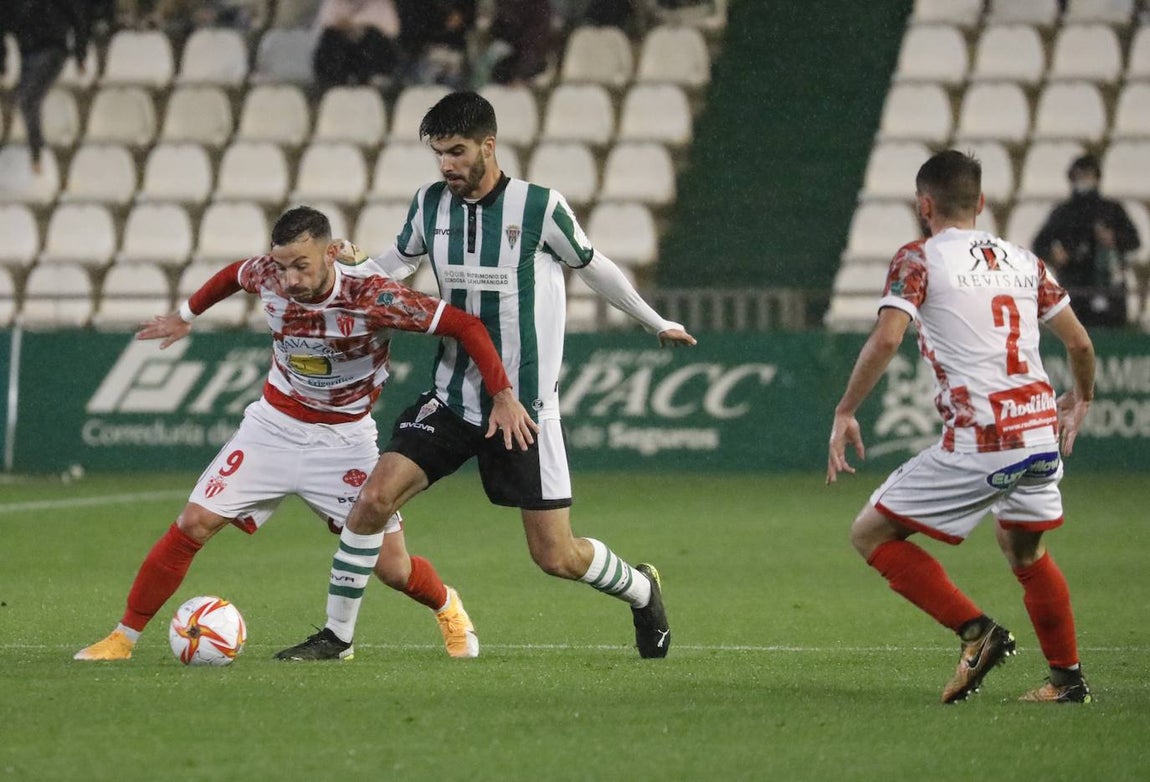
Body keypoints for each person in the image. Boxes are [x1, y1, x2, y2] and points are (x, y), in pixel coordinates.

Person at [275, 91, 697, 662]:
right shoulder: (430, 204)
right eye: (439, 154)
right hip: (452, 398)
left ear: (488, 146)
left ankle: (642, 590)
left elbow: (593, 266)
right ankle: (337, 637)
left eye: (456, 151)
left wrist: (655, 321)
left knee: (556, 556)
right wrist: (341, 270)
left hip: (523, 411)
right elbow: (393, 268)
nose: (446, 165)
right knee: (372, 500)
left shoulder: (540, 207)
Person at [74, 205, 537, 662]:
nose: (290, 279)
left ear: (332, 252)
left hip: (344, 440)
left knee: (392, 568)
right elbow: (235, 274)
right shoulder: (269, 276)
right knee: (194, 522)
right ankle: (122, 639)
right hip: (273, 427)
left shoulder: (375, 297)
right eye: (282, 265)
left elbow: (466, 325)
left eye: (302, 265)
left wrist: (501, 395)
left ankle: (447, 606)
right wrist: (185, 315)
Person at [826, 150, 1096, 704]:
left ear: (924, 206)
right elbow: (1080, 343)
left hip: (985, 440)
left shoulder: (919, 259)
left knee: (870, 533)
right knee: (1024, 551)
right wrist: (1082, 397)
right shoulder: (1025, 261)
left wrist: (845, 410)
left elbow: (887, 338)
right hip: (1041, 432)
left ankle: (979, 634)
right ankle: (1067, 682)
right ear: (982, 203)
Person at [1032, 154, 1140, 328]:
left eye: (1087, 175)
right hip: (1074, 287)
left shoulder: (1112, 209)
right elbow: (1039, 244)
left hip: (1109, 287)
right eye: (1079, 176)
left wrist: (1114, 239)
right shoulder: (1063, 212)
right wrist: (1055, 255)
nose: (1083, 181)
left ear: (1097, 178)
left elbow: (1134, 241)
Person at [0, 0, 90, 175]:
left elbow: (78, 16)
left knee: (28, 98)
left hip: (52, 48)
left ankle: (36, 153)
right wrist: (2, 64)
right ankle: (32, 150)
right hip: (27, 52)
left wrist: (80, 54)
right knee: (23, 97)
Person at [312, 0, 402, 89]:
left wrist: (354, 25)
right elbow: (321, 29)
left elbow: (392, 31)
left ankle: (373, 80)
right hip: (342, 58)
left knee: (373, 36)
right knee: (332, 37)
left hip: (370, 58)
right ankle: (332, 83)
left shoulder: (381, 4)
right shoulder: (333, 3)